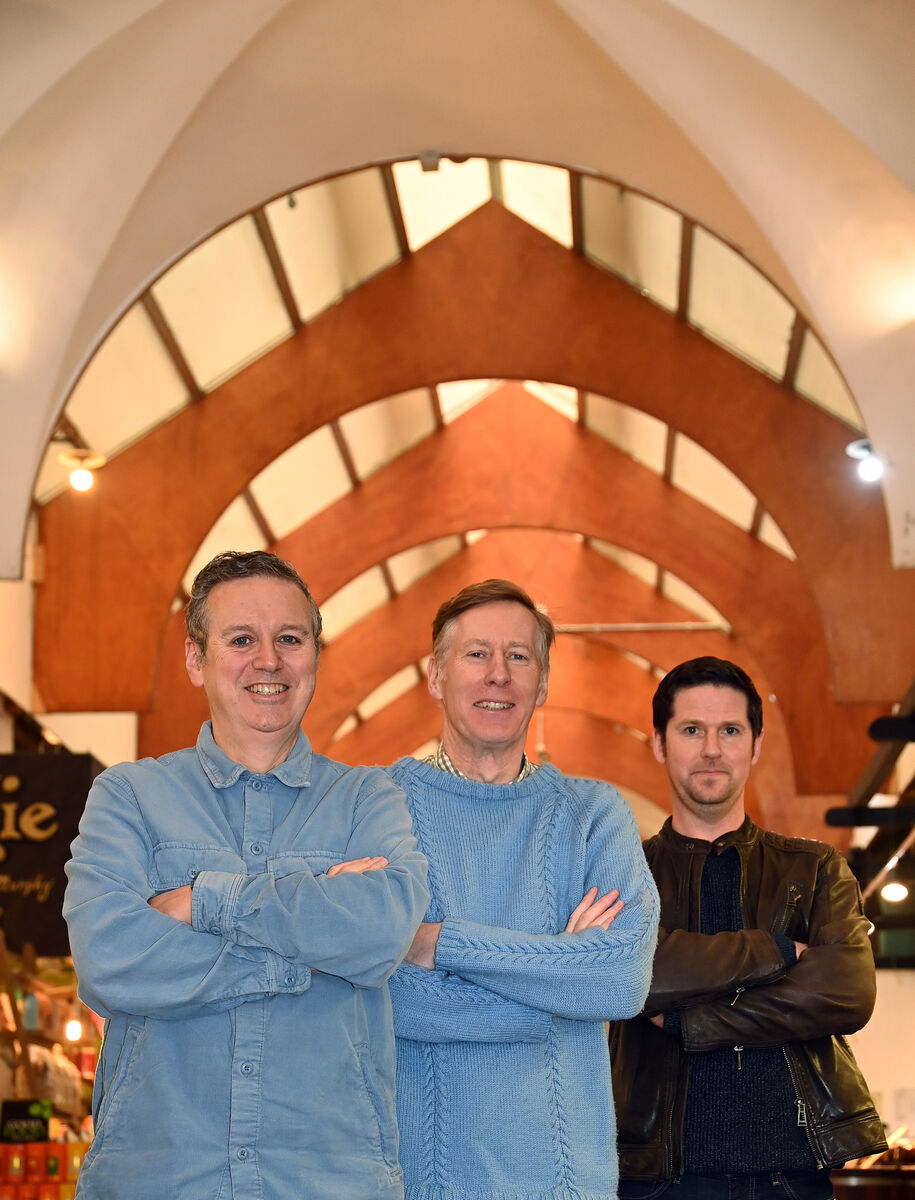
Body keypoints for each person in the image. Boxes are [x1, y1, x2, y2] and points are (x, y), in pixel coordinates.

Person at [64, 551, 429, 1200]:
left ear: (315, 654)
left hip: (328, 1182)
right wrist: (304, 958)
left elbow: (382, 930)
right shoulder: (129, 797)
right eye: (241, 639)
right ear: (195, 660)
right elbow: (110, 958)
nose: (269, 660)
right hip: (157, 1178)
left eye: (290, 638)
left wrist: (203, 900)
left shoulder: (370, 799)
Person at [387, 579, 660, 1200]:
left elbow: (618, 982)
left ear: (543, 682)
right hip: (418, 1180)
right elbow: (383, 999)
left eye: (519, 657)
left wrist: (440, 944)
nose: (499, 675)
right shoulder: (377, 807)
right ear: (435, 675)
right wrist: (559, 978)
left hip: (566, 1182)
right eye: (477, 654)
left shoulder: (593, 814)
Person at [610, 656, 887, 1200]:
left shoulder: (814, 869)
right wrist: (777, 949)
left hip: (794, 1178)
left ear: (755, 746)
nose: (712, 748)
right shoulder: (622, 874)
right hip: (658, 1182)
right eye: (692, 730)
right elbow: (634, 975)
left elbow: (848, 992)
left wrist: (694, 1023)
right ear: (660, 744)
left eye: (730, 730)